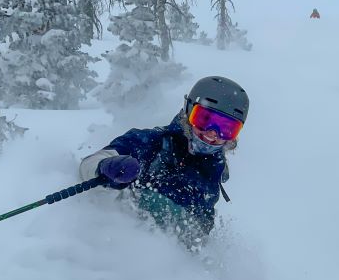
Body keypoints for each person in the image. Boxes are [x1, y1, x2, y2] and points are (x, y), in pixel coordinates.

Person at [80, 76, 249, 247]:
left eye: (227, 129)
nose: (212, 134)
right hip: (113, 240)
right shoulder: (151, 143)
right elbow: (87, 166)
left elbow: (200, 232)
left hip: (159, 263)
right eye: (204, 119)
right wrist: (105, 166)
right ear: (188, 110)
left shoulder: (213, 173)